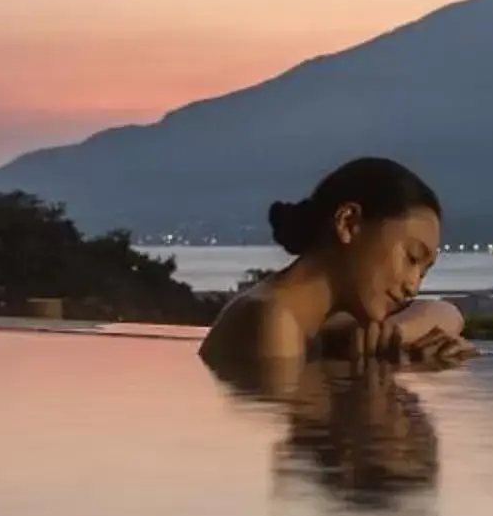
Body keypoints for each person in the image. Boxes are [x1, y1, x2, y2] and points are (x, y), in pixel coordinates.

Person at [198, 158, 472, 375]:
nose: (413, 286)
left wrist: (398, 336)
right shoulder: (272, 321)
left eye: (423, 272)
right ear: (349, 224)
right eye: (411, 258)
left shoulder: (312, 319)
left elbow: (447, 313)